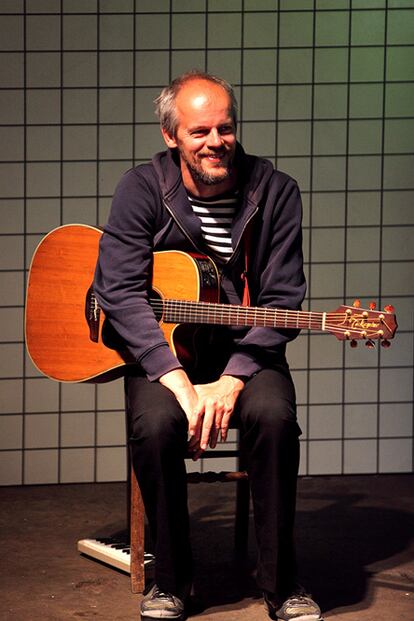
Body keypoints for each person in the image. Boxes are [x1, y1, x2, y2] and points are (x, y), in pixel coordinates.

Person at [93, 70, 322, 621]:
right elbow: (118, 290)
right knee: (155, 426)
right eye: (199, 132)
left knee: (272, 418)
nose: (215, 141)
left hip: (248, 350)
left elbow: (285, 298)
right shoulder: (141, 188)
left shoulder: (276, 191)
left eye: (225, 128)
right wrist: (175, 380)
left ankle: (282, 583)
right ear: (172, 137)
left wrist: (231, 380)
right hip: (163, 352)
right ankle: (172, 580)